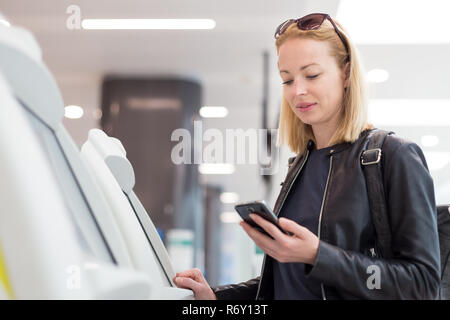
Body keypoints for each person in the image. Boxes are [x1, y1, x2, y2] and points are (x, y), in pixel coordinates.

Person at [173, 13, 441, 299]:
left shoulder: (393, 156)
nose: (298, 91)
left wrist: (318, 255)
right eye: (287, 79)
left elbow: (421, 284)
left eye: (312, 75)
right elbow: (289, 282)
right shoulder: (300, 165)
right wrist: (217, 297)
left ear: (346, 73)